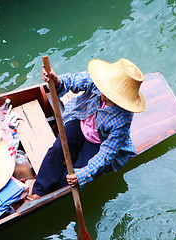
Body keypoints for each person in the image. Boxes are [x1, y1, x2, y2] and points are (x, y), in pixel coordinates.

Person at [30, 58, 146, 199]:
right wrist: (56, 81)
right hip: (81, 120)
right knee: (57, 148)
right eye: (105, 91)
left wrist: (82, 175)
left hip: (98, 141)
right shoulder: (100, 80)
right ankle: (39, 191)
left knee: (73, 175)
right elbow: (73, 81)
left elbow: (106, 153)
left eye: (110, 96)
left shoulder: (124, 118)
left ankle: (53, 195)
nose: (104, 95)